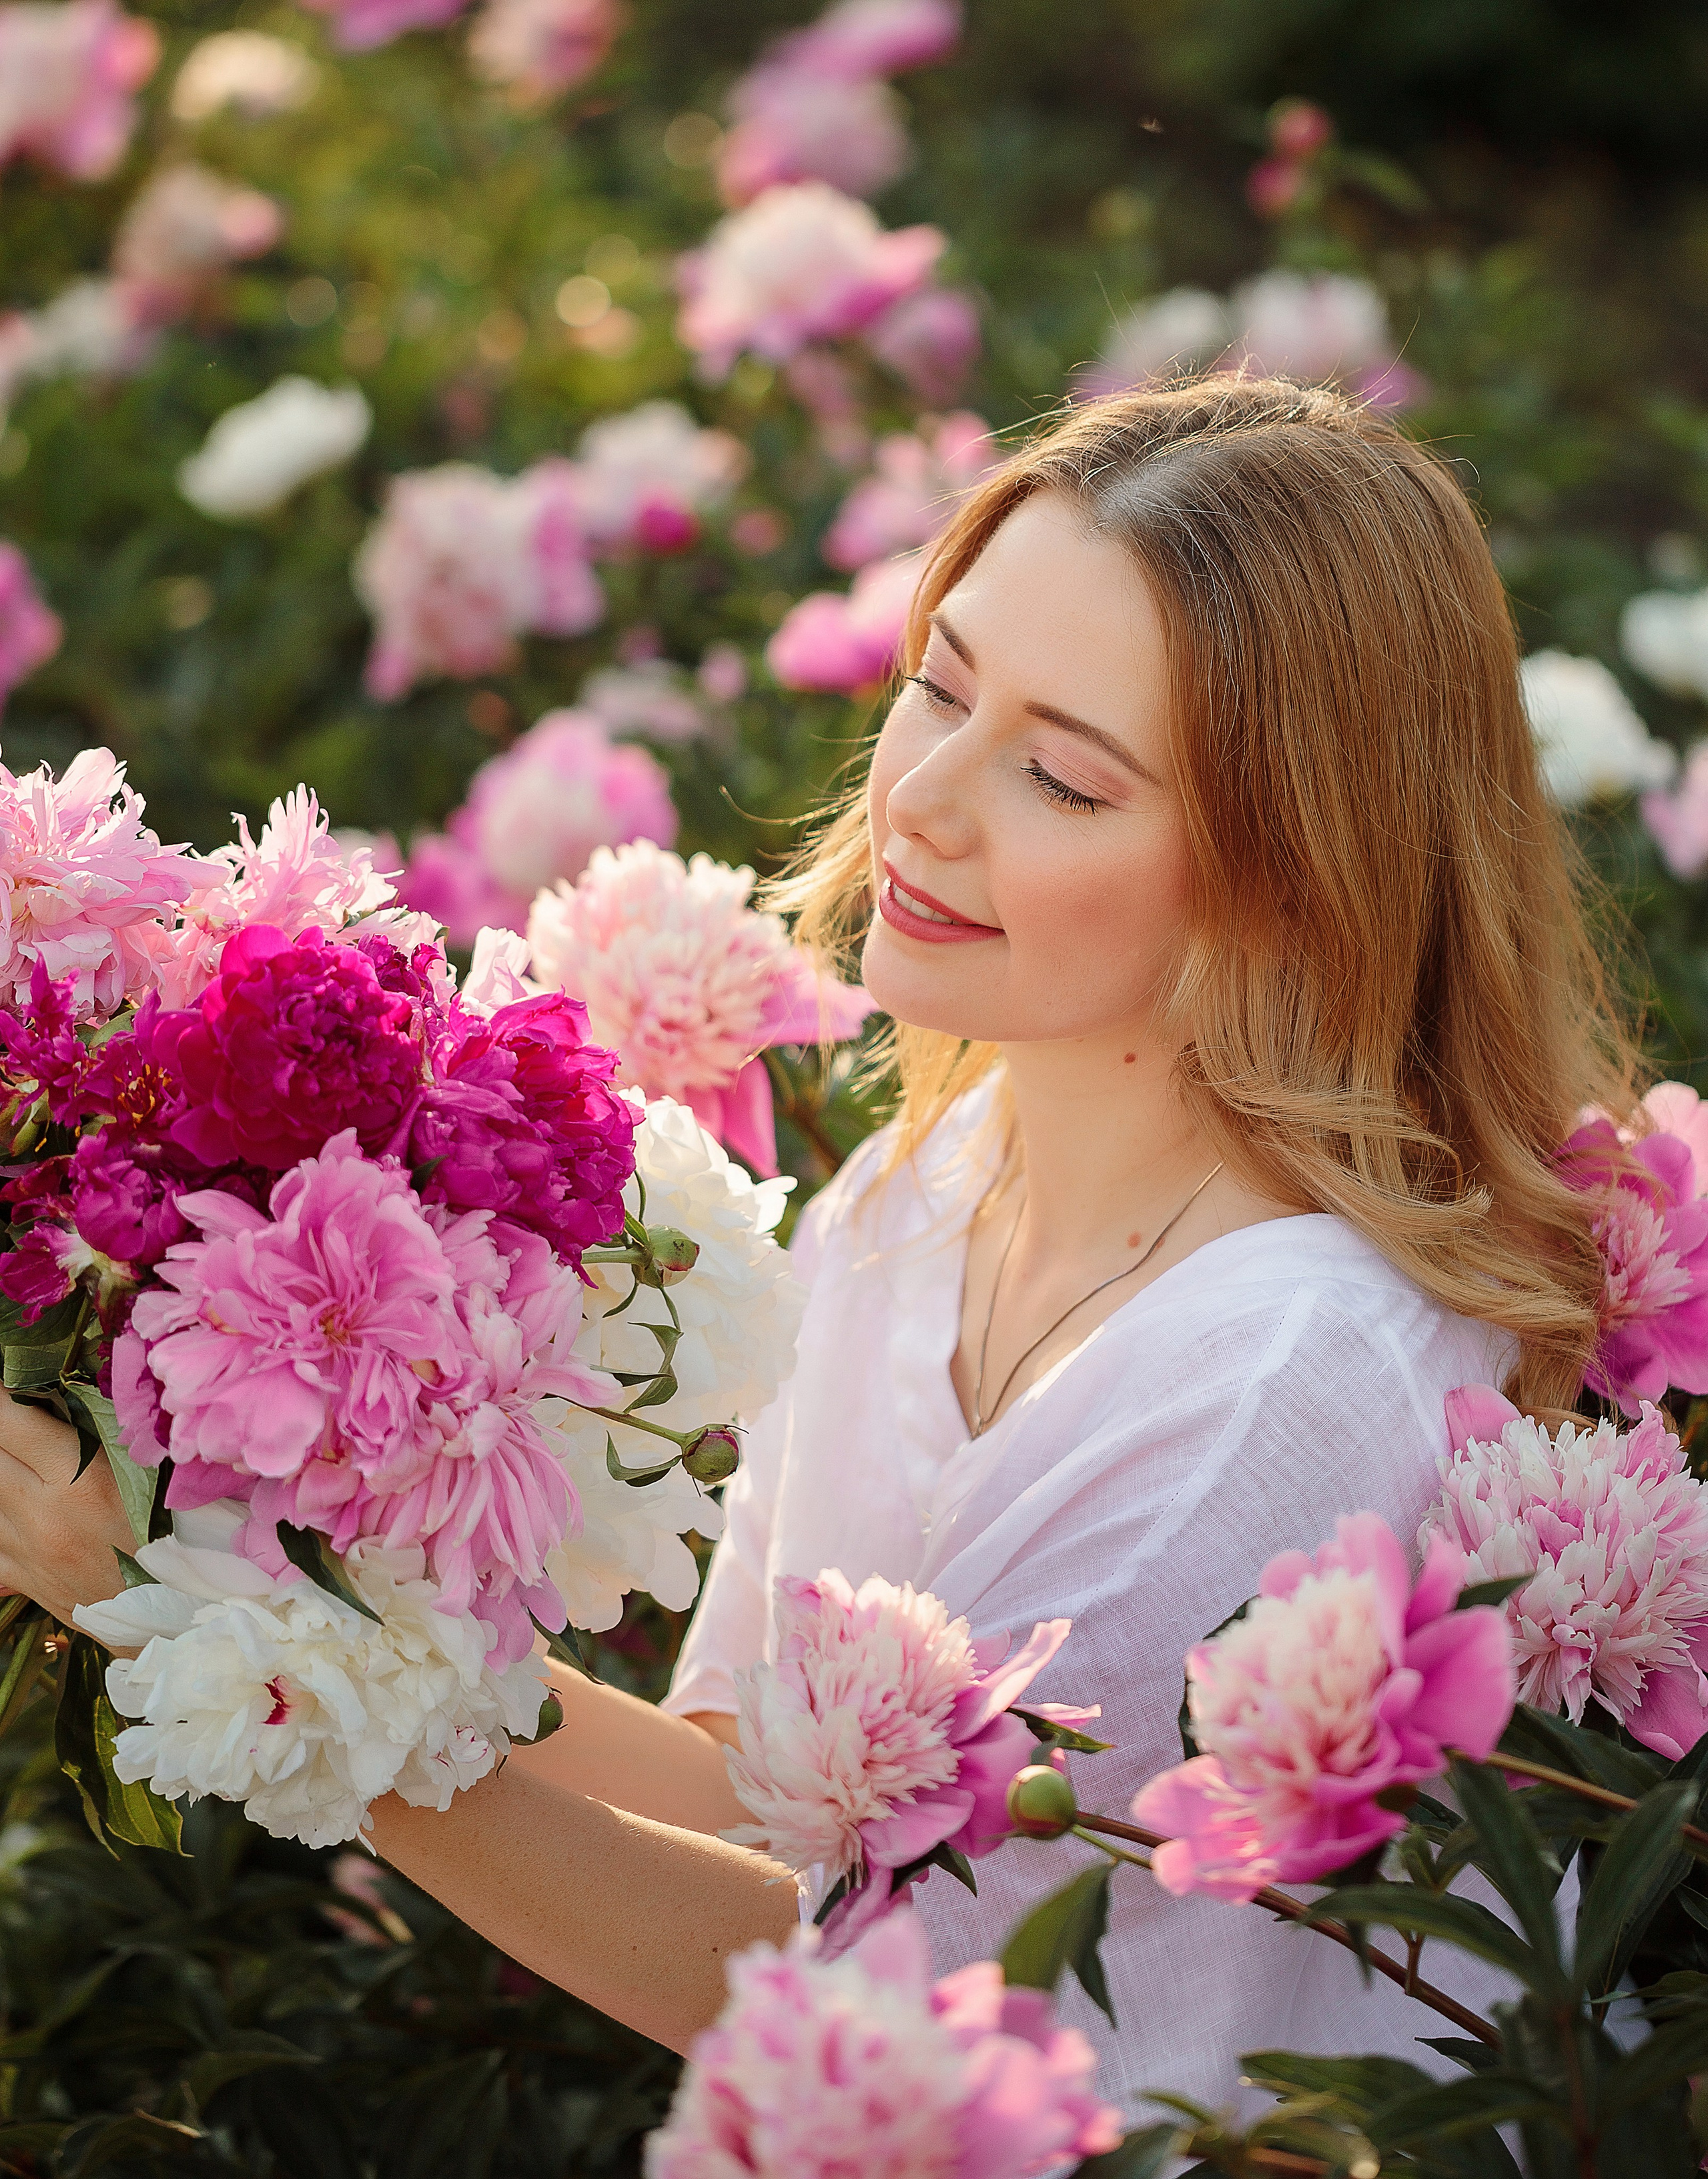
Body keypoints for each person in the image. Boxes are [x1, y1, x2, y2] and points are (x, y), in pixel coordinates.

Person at [0, 376, 1635, 2116]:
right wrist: (257, 1554)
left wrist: (223, 1648)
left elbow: (835, 1982)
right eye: (938, 683)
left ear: (1294, 871)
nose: (924, 796)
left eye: (1063, 776)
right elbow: (749, 1793)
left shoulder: (1267, 1383)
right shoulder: (926, 1190)